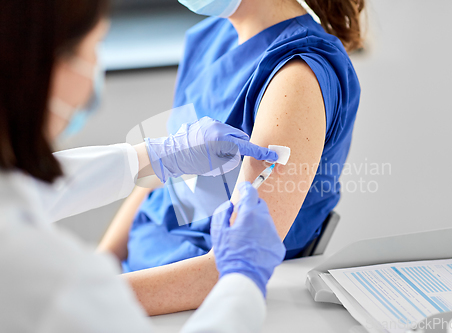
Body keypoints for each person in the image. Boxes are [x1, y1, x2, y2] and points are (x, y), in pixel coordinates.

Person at [0, 0, 285, 332]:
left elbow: (25, 187)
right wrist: (242, 278)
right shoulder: (55, 286)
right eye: (95, 45)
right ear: (46, 65)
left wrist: (155, 156)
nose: (95, 64)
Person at [99, 0, 364, 315]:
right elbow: (162, 179)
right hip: (131, 280)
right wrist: (101, 262)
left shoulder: (296, 74)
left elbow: (222, 271)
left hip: (188, 305)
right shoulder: (211, 36)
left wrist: (93, 297)